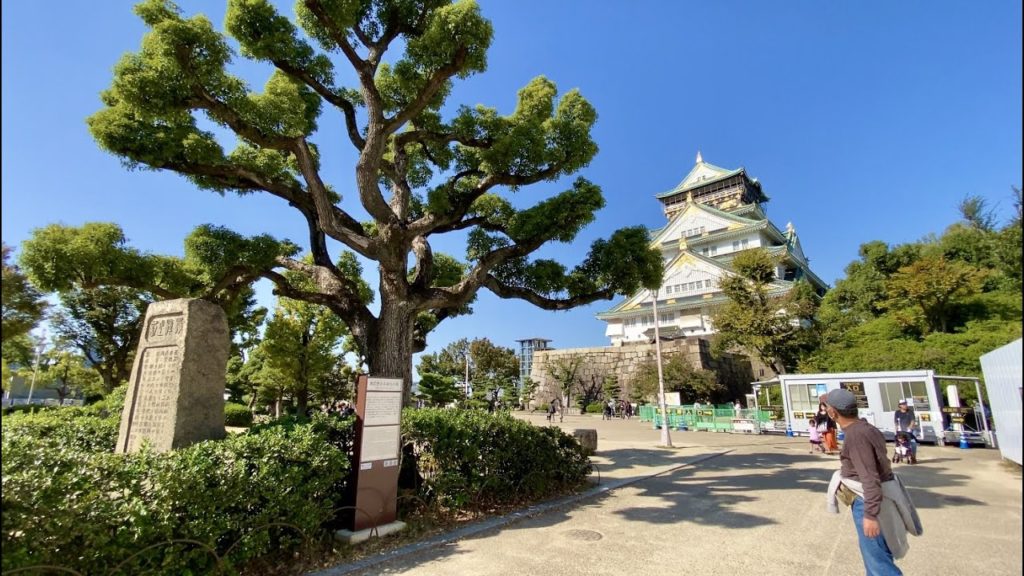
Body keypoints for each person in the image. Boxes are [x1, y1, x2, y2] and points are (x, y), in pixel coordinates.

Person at [823, 389, 921, 575]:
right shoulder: (865, 428)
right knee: (877, 558)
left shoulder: (856, 436)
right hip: (876, 498)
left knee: (878, 564)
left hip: (867, 501)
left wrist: (870, 515)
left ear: (832, 412)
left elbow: (869, 477)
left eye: (827, 407)